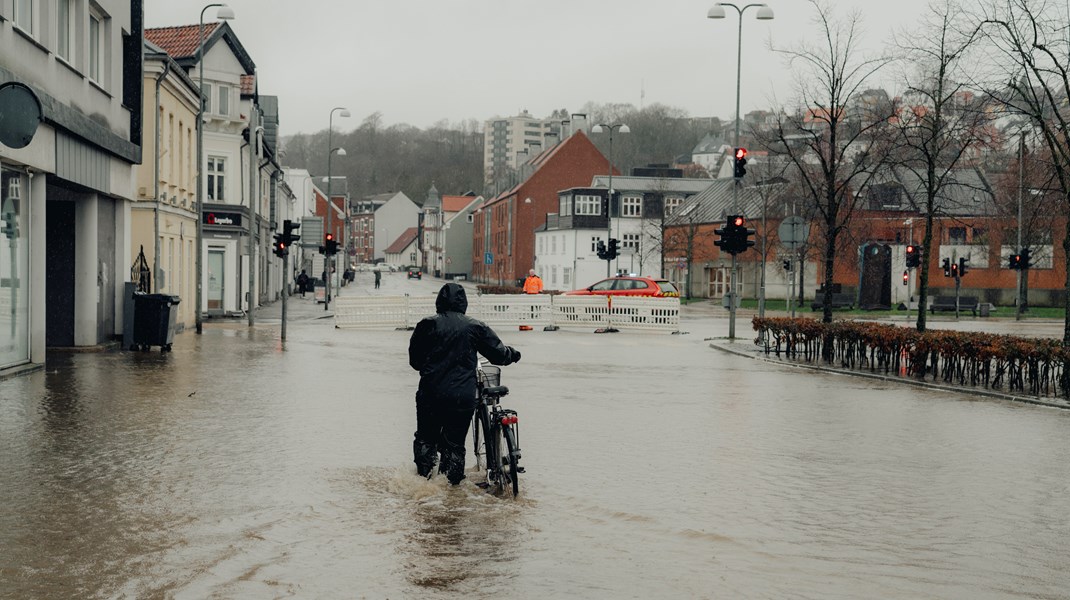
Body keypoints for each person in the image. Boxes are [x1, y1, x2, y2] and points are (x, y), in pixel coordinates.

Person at [408, 283, 521, 484]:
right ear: (464, 303)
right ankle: (450, 488)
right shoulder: (475, 327)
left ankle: (423, 483)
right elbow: (499, 354)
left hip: (431, 393)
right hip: (461, 397)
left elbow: (415, 362)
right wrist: (513, 354)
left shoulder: (427, 324)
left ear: (439, 301)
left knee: (426, 438)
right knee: (454, 444)